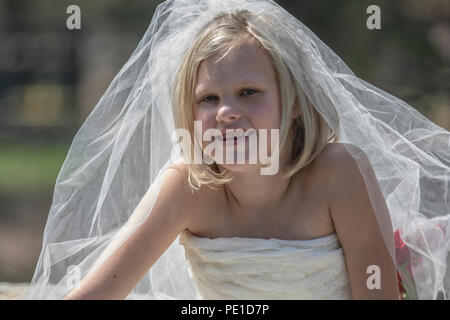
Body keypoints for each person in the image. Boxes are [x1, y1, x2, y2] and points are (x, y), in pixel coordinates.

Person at [28, 0, 449, 300]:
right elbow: (98, 293)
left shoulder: (339, 173)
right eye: (209, 99)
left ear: (297, 102)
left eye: (249, 92)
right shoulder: (187, 184)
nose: (227, 112)